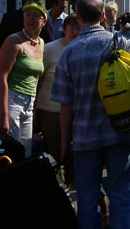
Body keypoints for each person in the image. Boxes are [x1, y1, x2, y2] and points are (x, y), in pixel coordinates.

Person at [51, 0, 130, 229]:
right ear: (102, 16)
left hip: (85, 137)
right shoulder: (122, 43)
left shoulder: (68, 53)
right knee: (120, 197)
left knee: (87, 201)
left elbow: (65, 105)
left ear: (77, 18)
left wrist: (65, 142)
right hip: (122, 131)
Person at [0, 2, 47, 156]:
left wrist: (34, 109)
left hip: (28, 104)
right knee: (8, 156)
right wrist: (3, 116)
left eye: (36, 15)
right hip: (10, 103)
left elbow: (37, 79)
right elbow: (1, 78)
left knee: (24, 154)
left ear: (44, 21)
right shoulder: (14, 41)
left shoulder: (41, 43)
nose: (30, 18)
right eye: (27, 14)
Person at [36, 14, 79, 183]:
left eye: (78, 27)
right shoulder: (50, 49)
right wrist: (34, 108)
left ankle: (71, 184)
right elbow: (39, 79)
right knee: (55, 153)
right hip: (51, 111)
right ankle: (60, 191)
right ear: (64, 29)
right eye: (71, 27)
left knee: (74, 154)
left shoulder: (83, 49)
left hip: (76, 112)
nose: (74, 32)